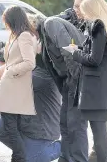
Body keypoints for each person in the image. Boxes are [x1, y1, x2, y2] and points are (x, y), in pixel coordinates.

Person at [62, 0, 107, 162]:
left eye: (83, 9)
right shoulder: (105, 25)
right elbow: (96, 52)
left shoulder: (97, 26)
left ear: (91, 8)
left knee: (98, 132)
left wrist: (75, 53)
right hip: (101, 87)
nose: (80, 12)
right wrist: (80, 47)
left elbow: (94, 60)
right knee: (99, 130)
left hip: (96, 88)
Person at [27, 13, 89, 162]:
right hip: (69, 80)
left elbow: (70, 50)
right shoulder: (43, 34)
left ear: (30, 26)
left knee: (76, 125)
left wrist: (75, 82)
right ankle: (66, 158)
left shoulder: (51, 24)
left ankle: (79, 159)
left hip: (79, 79)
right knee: (65, 124)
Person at [0, 6, 38, 162]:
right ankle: (20, 158)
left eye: (6, 21)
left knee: (11, 129)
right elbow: (10, 63)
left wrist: (10, 72)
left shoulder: (24, 36)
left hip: (14, 89)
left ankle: (21, 158)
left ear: (12, 20)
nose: (5, 24)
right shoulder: (17, 35)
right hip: (11, 88)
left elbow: (30, 63)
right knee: (13, 129)